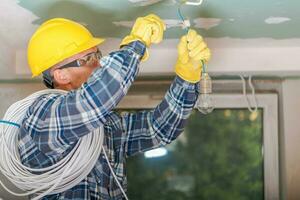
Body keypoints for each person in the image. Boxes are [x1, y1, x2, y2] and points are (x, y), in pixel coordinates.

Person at [19, 14, 211, 199]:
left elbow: (158, 130)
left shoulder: (107, 125)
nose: (99, 64)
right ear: (61, 75)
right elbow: (99, 96)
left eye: (97, 56)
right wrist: (135, 45)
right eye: (88, 59)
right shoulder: (41, 117)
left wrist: (187, 76)